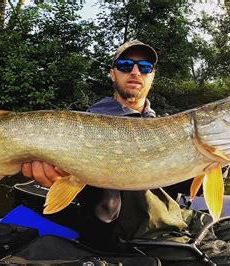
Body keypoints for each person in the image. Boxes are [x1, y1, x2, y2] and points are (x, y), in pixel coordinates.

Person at [21, 40, 216, 249]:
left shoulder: (164, 126)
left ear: (152, 76)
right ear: (113, 73)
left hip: (178, 223)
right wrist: (64, 176)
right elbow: (102, 208)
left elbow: (186, 185)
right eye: (125, 66)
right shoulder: (90, 123)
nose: (135, 72)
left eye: (144, 68)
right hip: (133, 240)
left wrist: (216, 157)